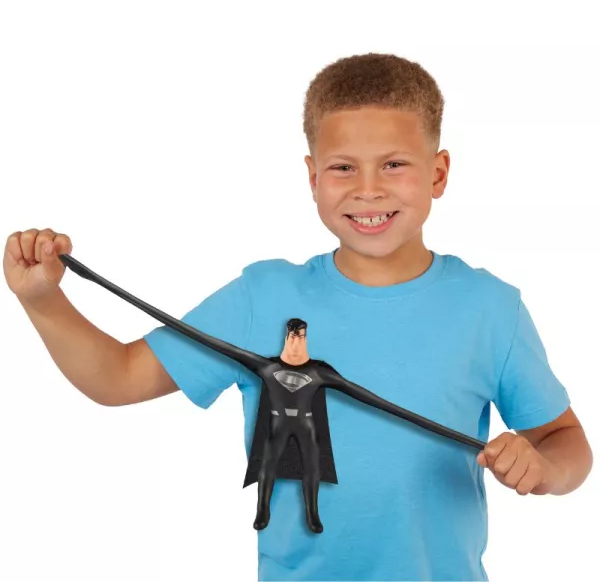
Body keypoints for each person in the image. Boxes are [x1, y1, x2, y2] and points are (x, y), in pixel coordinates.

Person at [4, 52, 593, 581]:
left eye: (394, 165)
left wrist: (543, 469)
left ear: (438, 173)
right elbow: (119, 376)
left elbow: (567, 443)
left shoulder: (489, 307)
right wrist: (42, 300)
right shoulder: (261, 296)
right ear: (312, 177)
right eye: (343, 168)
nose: (367, 190)